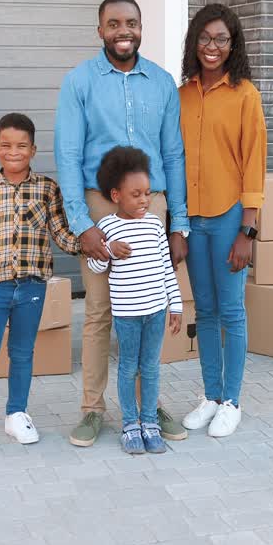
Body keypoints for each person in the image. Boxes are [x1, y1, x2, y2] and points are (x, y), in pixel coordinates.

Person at [55, 0, 191, 447]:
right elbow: (68, 155)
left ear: (141, 26)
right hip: (99, 205)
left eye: (130, 22)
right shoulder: (79, 82)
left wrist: (178, 223)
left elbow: (173, 154)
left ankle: (145, 406)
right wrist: (82, 224)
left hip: (151, 204)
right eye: (113, 24)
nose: (123, 31)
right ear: (100, 30)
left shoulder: (163, 83)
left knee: (151, 306)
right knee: (100, 310)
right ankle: (94, 410)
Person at [0, 113, 81, 455]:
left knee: (22, 353)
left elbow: (61, 234)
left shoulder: (48, 189)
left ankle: (16, 414)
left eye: (22, 146)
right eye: (6, 145)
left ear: (33, 149)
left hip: (32, 287)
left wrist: (90, 242)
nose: (14, 152)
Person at [177, 3, 267, 438]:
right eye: (205, 38)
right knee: (206, 309)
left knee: (232, 311)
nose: (213, 47)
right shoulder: (183, 93)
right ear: (195, 41)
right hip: (193, 218)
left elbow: (254, 163)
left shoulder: (245, 94)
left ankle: (232, 400)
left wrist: (248, 230)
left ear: (233, 45)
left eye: (222, 39)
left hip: (230, 215)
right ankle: (210, 395)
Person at [86, 147, 183, 454]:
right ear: (116, 195)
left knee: (151, 366)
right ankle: (130, 424)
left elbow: (167, 268)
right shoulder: (108, 228)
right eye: (136, 194)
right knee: (129, 367)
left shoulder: (155, 225)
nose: (144, 200)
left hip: (156, 311)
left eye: (147, 193)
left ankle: (150, 421)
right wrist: (110, 250)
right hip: (127, 314)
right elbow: (96, 266)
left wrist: (176, 304)